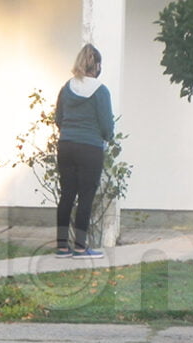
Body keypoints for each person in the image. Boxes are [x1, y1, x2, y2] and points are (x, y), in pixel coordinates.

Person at [54, 43, 114, 259]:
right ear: (96, 65)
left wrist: (70, 133)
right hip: (90, 147)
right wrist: (107, 138)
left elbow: (58, 119)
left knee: (67, 195)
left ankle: (62, 247)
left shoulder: (66, 88)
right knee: (86, 196)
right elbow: (106, 125)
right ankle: (80, 247)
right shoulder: (100, 90)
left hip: (66, 145)